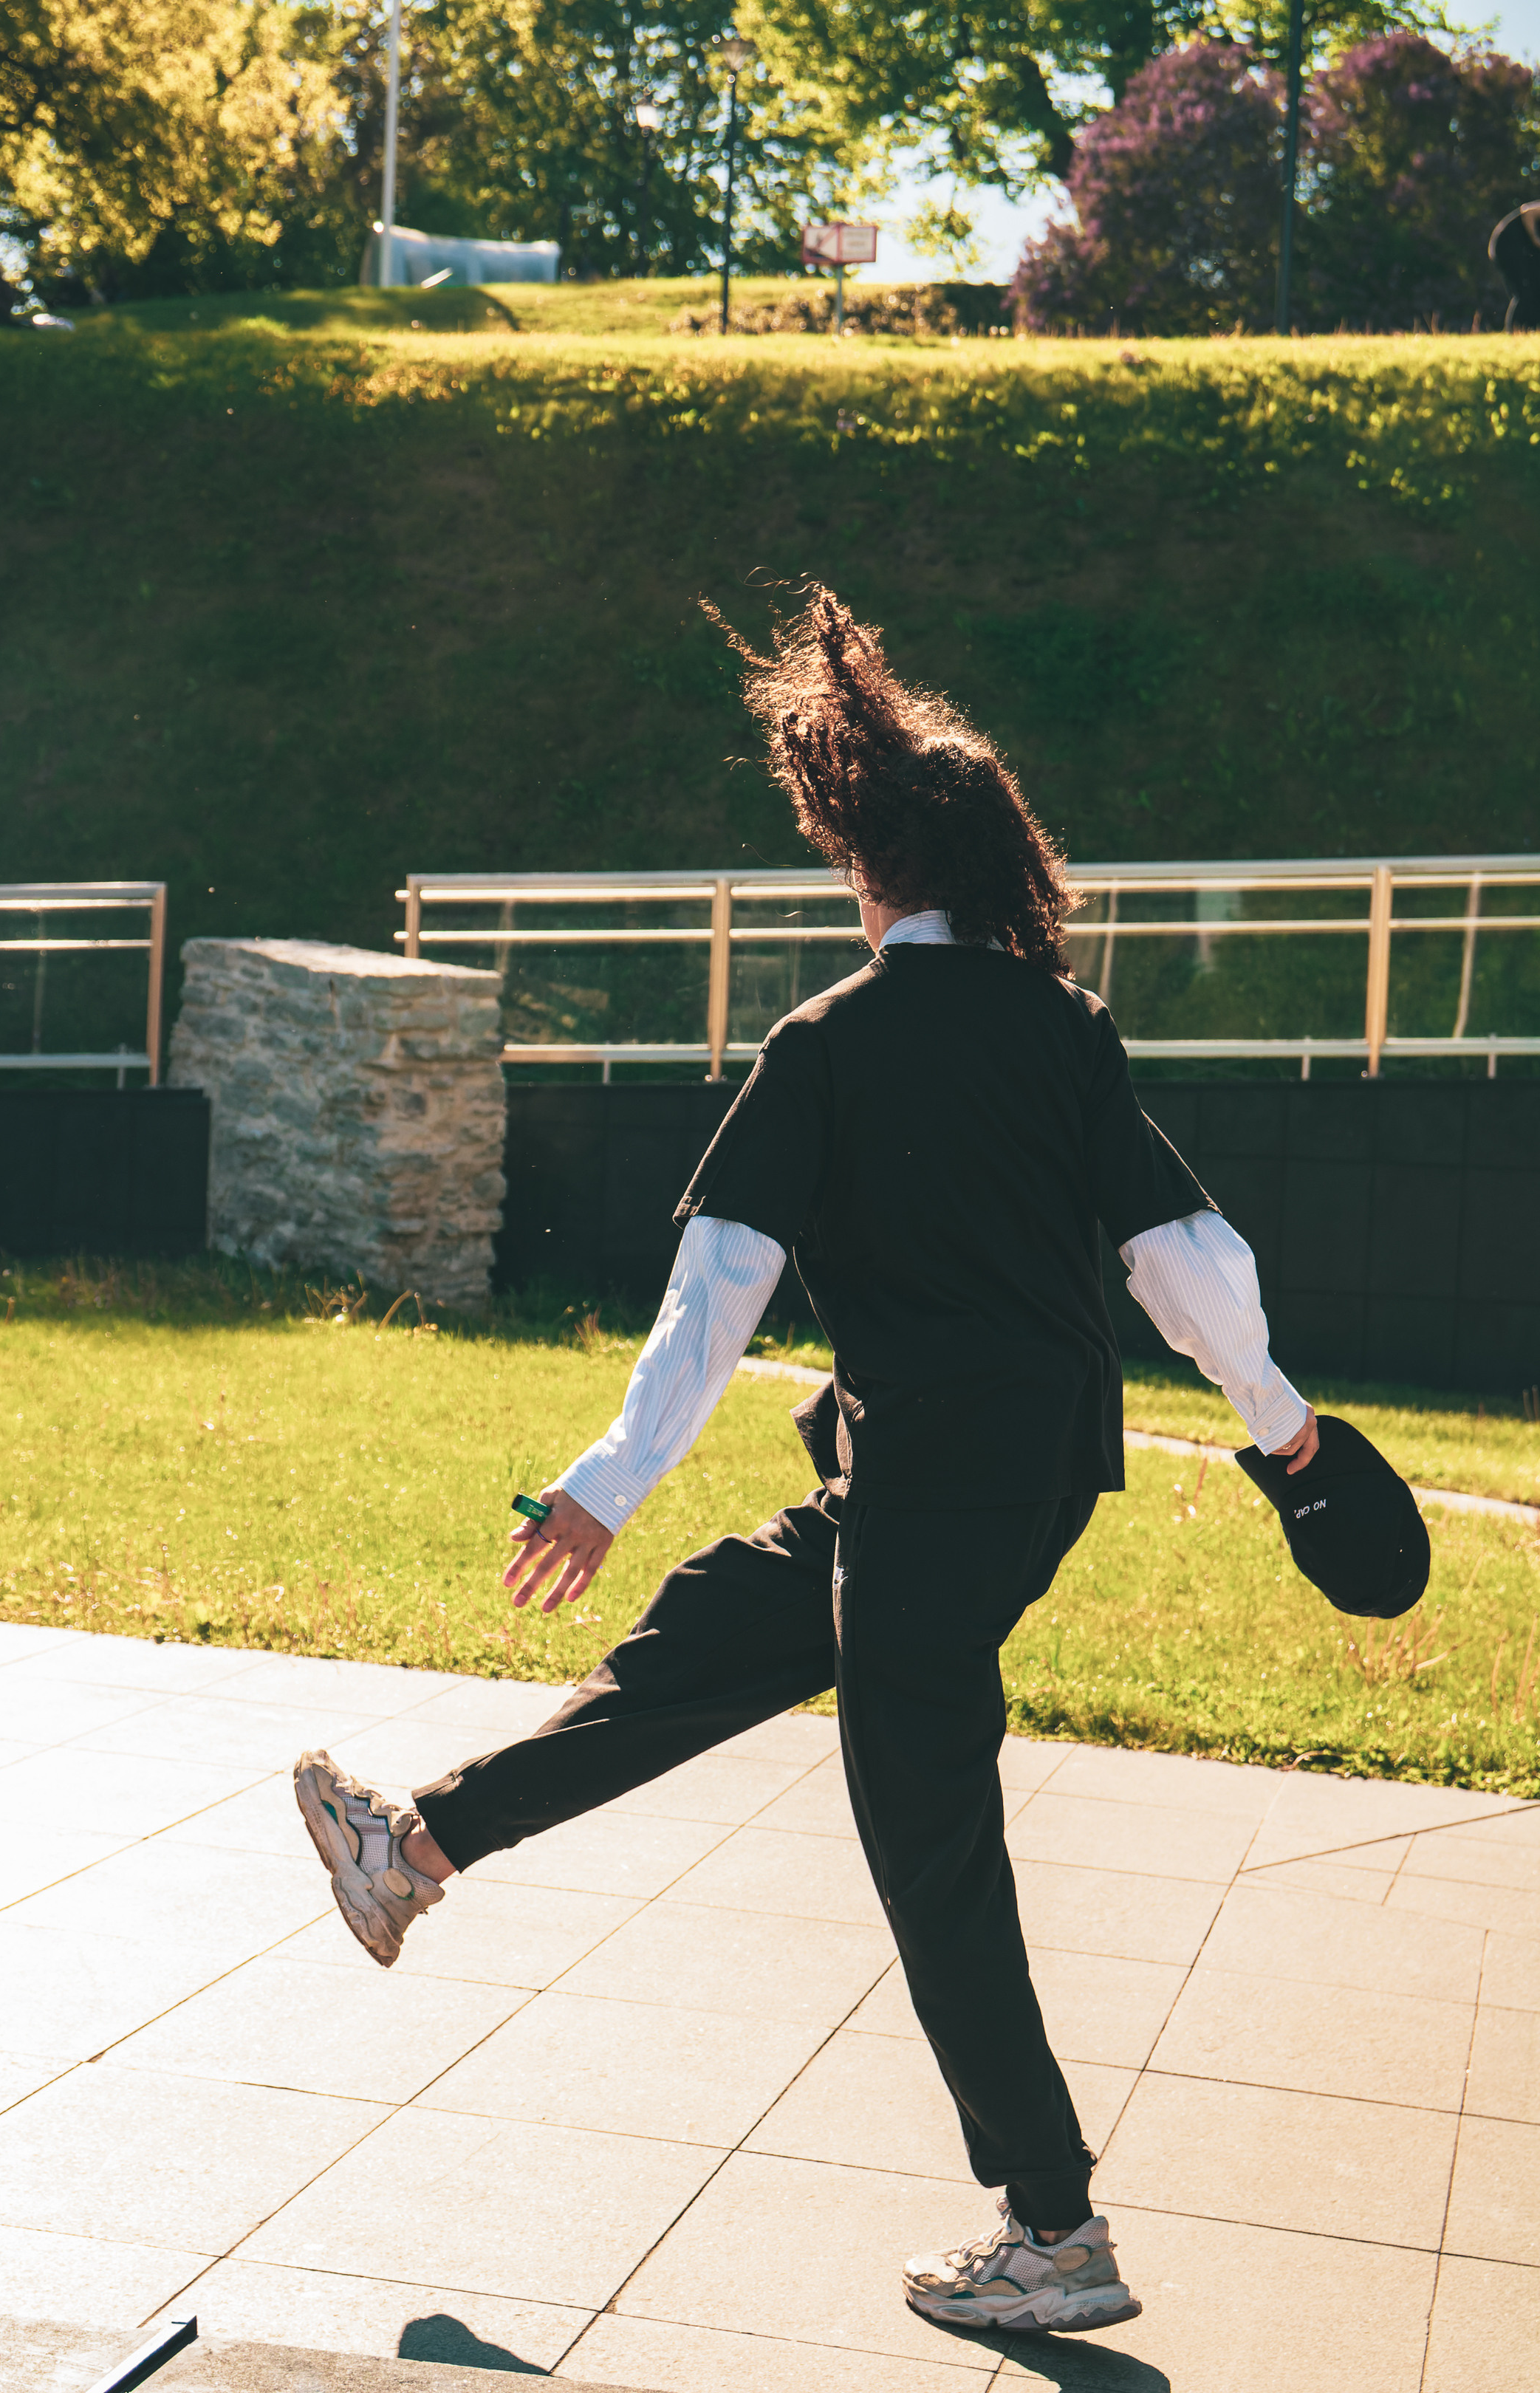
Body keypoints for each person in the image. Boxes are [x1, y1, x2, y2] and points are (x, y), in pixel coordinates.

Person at [294, 586, 1319, 2338]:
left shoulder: (829, 1042)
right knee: (729, 1622)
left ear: (867, 862)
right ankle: (422, 1848)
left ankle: (1054, 2228)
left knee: (929, 1841)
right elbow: (1184, 1261)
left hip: (933, 1481)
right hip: (1002, 1475)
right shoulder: (1057, 1029)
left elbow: (719, 1294)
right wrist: (1281, 1423)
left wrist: (603, 1480)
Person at [1489, 201, 1540, 332]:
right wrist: (1535, 239)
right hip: (1506, 246)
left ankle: (1530, 329)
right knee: (1524, 291)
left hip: (1519, 250)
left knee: (1534, 289)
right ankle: (1515, 330)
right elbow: (1527, 211)